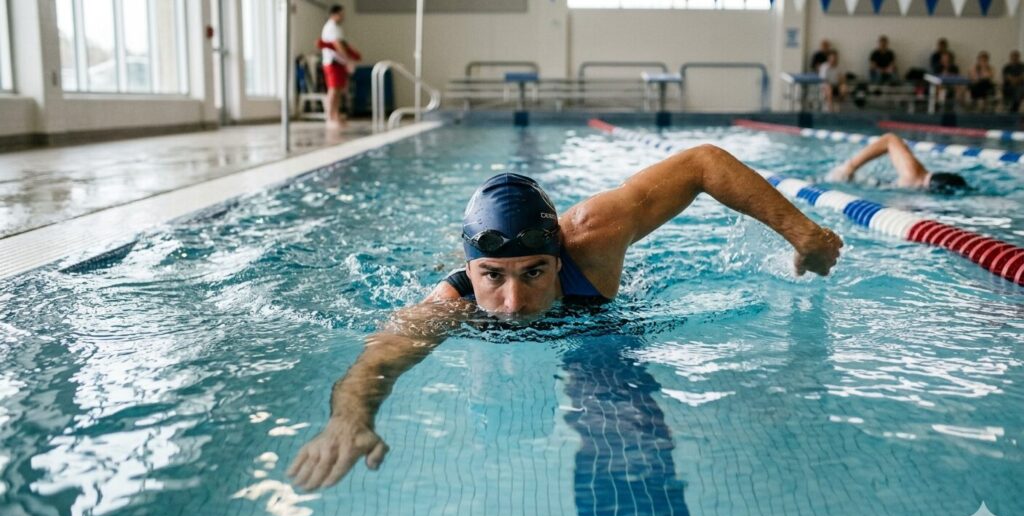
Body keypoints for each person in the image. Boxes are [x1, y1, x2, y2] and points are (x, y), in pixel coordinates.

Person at [286, 147, 844, 491]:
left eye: (534, 273)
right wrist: (346, 419)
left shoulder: (592, 237)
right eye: (492, 277)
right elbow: (376, 361)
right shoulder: (447, 305)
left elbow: (702, 163)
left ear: (559, 257)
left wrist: (806, 235)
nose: (511, 305)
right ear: (469, 269)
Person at [827, 133, 970, 194]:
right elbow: (889, 139)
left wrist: (850, 168)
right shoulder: (913, 176)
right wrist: (850, 167)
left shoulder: (913, 176)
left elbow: (890, 139)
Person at [320, 4, 351, 128]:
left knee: (337, 90)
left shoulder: (336, 27)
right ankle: (330, 117)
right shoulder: (331, 27)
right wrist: (347, 59)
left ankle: (335, 115)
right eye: (341, 14)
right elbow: (337, 44)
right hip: (333, 63)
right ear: (334, 14)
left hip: (337, 63)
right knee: (333, 90)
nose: (343, 16)